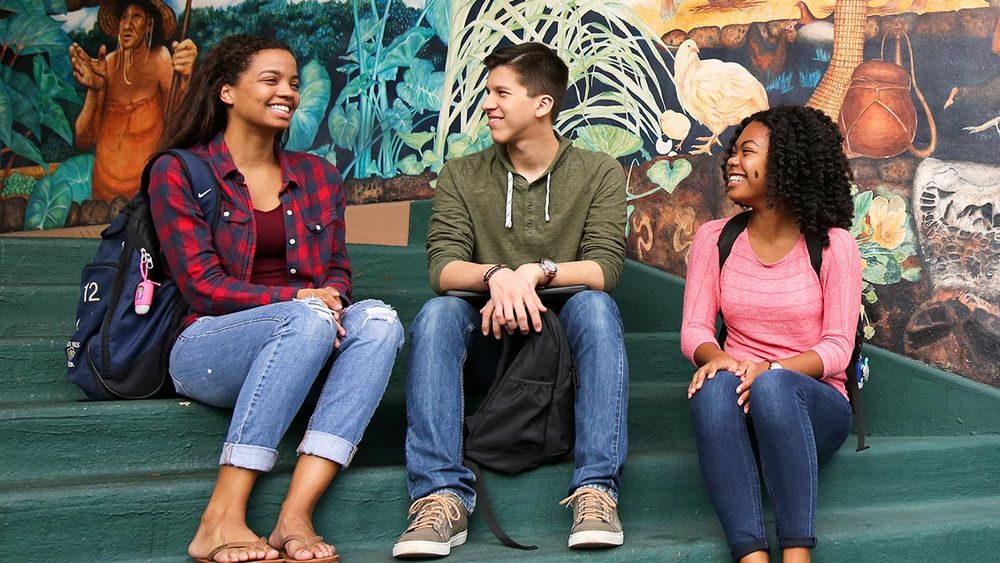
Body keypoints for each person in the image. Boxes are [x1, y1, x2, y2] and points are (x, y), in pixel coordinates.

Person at [148, 34, 404, 563]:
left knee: (380, 321)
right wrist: (303, 301)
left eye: (292, 81)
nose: (288, 91)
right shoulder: (179, 171)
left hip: (304, 333)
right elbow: (201, 285)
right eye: (271, 80)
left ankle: (295, 514)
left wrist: (324, 301)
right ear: (226, 91)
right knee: (307, 316)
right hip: (206, 345)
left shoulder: (318, 176)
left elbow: (336, 273)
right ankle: (220, 517)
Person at [392, 42, 629, 558]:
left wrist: (534, 273)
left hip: (558, 350)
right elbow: (443, 268)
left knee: (595, 305)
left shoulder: (599, 172)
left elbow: (604, 268)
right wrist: (498, 276)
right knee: (438, 313)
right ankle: (439, 496)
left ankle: (596, 489)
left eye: (502, 92)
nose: (488, 104)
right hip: (488, 340)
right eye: (487, 92)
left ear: (542, 105)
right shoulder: (461, 174)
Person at [681, 105, 861, 563]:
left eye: (747, 152)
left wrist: (770, 369)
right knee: (711, 386)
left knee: (775, 386)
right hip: (741, 399)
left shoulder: (833, 245)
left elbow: (838, 349)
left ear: (784, 165)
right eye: (733, 153)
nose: (732, 162)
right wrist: (715, 357)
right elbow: (696, 330)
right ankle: (752, 557)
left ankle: (797, 554)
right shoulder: (714, 239)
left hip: (812, 405)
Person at [69, 0, 198, 201]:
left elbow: (178, 128)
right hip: (103, 194)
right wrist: (95, 90)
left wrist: (185, 81)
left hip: (145, 193)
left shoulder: (160, 60)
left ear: (149, 24)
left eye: (136, 16)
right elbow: (83, 140)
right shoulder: (108, 65)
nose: (128, 25)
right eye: (124, 17)